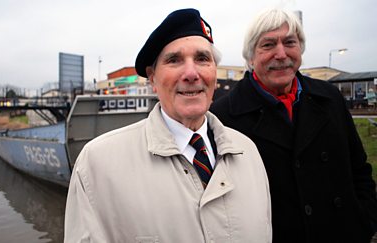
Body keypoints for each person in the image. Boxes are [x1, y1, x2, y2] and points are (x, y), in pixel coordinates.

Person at [64, 8, 271, 242]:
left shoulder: (248, 153)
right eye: (174, 60)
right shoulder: (97, 165)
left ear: (214, 71)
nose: (191, 73)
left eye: (202, 59)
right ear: (152, 78)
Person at [210, 8, 377, 243]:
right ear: (250, 57)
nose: (281, 54)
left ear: (300, 49)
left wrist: (364, 221)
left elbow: (360, 169)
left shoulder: (329, 98)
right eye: (268, 45)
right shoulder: (223, 116)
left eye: (290, 42)